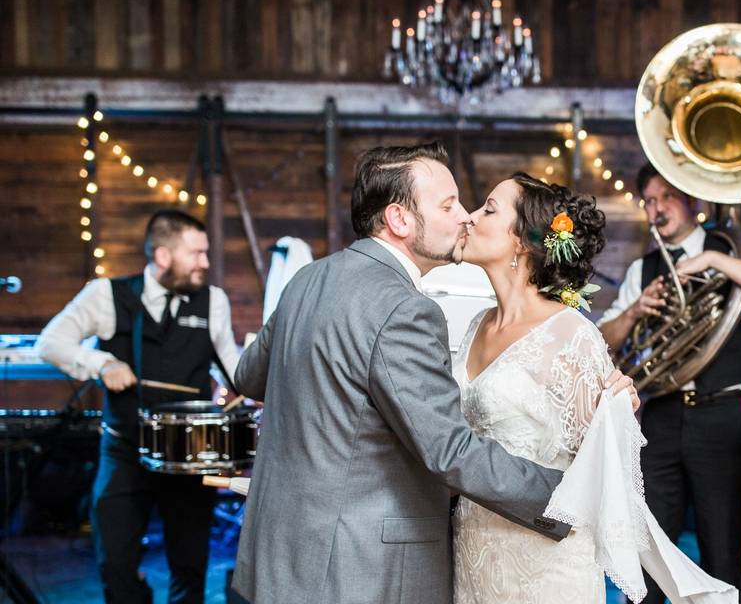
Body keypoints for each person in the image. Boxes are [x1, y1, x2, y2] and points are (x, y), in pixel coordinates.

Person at [230, 142, 635, 604]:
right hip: (357, 566)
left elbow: (250, 376)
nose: (464, 216)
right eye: (449, 204)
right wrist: (566, 500)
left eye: (476, 206)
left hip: (278, 558)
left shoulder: (307, 280)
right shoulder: (407, 309)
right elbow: (447, 449)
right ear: (400, 219)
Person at [453, 172, 737, 603]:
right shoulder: (475, 326)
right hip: (472, 547)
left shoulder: (570, 333)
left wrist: (617, 415)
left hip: (543, 561)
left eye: (488, 209)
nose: (469, 218)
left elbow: (606, 465)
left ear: (522, 242)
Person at [597, 163, 741, 601]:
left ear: (691, 200)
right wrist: (635, 311)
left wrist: (712, 260)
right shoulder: (643, 268)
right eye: (649, 201)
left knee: (722, 546)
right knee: (648, 547)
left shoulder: (731, 247)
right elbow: (604, 339)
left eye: (666, 196)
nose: (657, 209)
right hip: (663, 415)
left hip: (723, 414)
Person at [37, 210, 241, 603]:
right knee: (114, 564)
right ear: (163, 255)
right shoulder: (105, 295)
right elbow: (50, 342)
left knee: (190, 568)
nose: (206, 262)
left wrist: (254, 383)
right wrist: (103, 364)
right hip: (124, 450)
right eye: (197, 253)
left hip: (189, 456)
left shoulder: (213, 300)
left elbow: (231, 366)